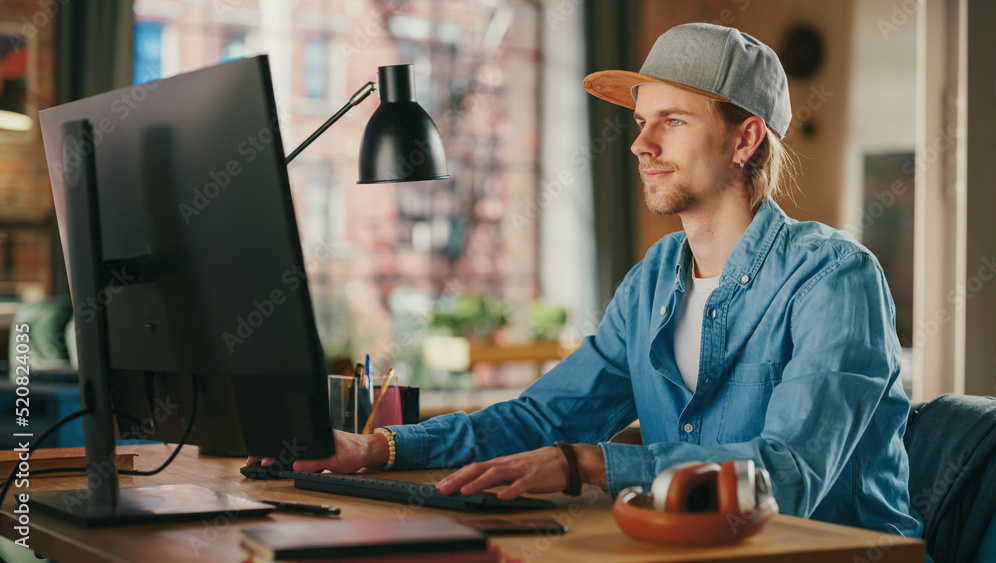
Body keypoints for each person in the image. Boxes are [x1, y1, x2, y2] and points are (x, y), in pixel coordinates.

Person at [252, 22, 922, 537]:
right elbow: (545, 416)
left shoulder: (834, 279)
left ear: (746, 138)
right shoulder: (655, 278)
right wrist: (379, 445)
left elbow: (785, 478)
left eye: (673, 121)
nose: (640, 144)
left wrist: (592, 464)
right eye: (640, 122)